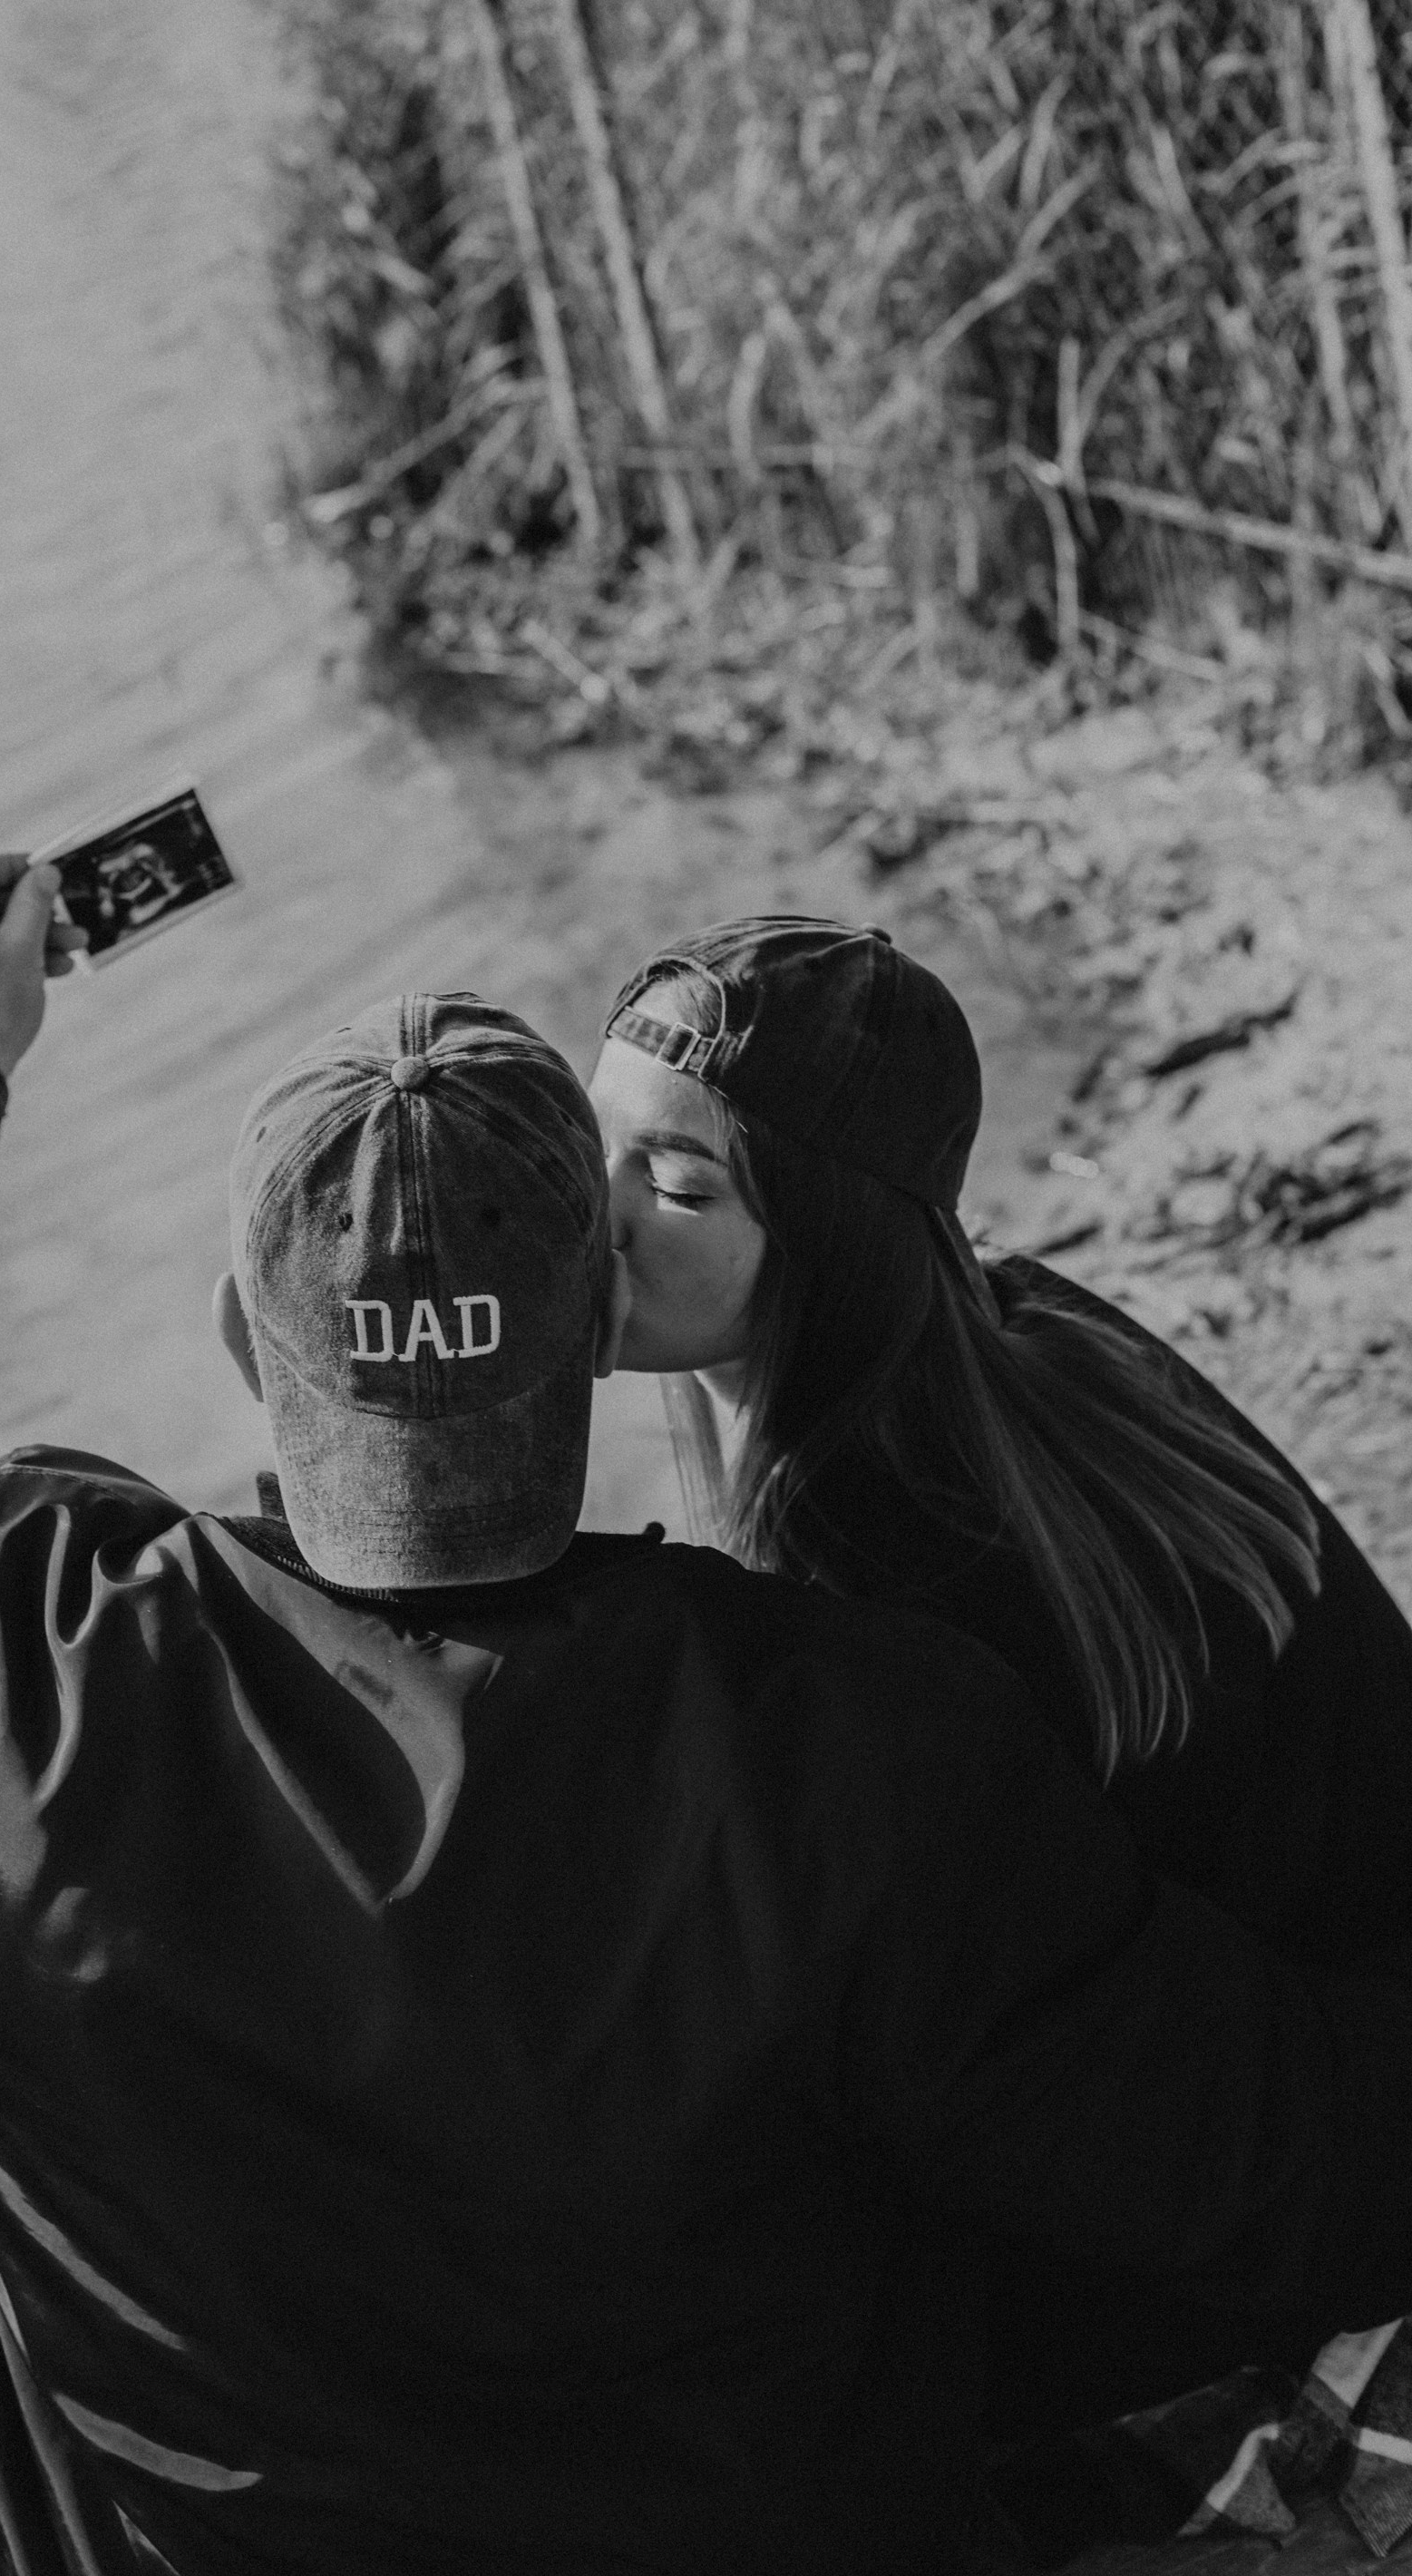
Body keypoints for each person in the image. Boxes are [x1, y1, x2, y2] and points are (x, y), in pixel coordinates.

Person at [0, 861, 1412, 2576]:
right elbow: (1270, 2157)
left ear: (246, 1340)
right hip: (747, 2521)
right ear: (591, 1331)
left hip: (146, 2534)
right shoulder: (861, 1742)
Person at [590, 912, 1412, 2520]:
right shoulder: (1022, 1329)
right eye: (593, 1145)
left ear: (830, 1238)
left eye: (675, 1188)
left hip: (1303, 2175)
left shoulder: (878, 1564)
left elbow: (1017, 2080)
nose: (591, 1221)